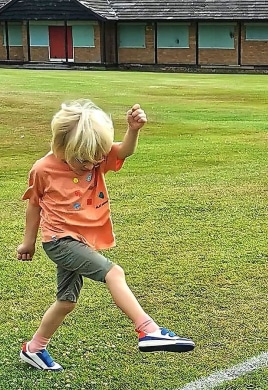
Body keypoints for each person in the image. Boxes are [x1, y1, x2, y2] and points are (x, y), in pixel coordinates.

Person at [16, 99, 195, 371]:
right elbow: (34, 204)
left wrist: (133, 129)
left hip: (80, 241)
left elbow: (124, 150)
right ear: (62, 146)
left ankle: (34, 348)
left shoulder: (96, 157)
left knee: (66, 302)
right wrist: (28, 242)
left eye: (97, 158)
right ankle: (147, 330)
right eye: (83, 161)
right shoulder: (43, 169)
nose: (92, 165)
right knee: (114, 273)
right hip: (59, 241)